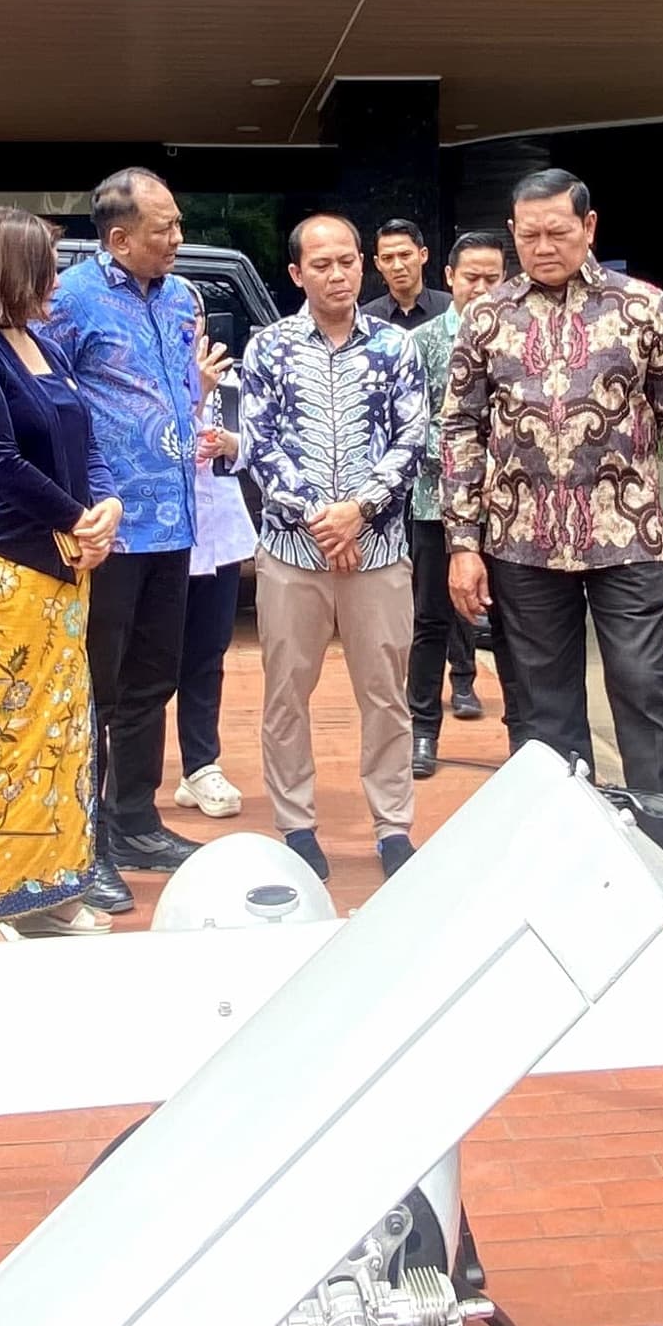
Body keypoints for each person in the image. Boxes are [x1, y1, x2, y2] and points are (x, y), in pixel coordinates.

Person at [441, 170, 663, 879]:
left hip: (626, 535)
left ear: (588, 228)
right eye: (529, 235)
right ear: (513, 233)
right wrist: (463, 543)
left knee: (644, 688)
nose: (543, 247)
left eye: (558, 232)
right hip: (521, 542)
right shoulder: (487, 317)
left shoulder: (643, 307)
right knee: (543, 710)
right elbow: (461, 431)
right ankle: (564, 868)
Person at [0, 206, 124, 941]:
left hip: (65, 567)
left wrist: (104, 505)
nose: (56, 280)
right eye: (46, 266)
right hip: (6, 568)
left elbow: (84, 437)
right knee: (0, 730)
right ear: (13, 271)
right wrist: (77, 518)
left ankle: (50, 885)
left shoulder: (39, 344)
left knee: (60, 729)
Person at [238, 214, 433, 880]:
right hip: (292, 553)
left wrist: (360, 512)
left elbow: (412, 440)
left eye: (348, 261)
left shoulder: (396, 348)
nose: (338, 275)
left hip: (377, 553)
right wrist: (324, 520)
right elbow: (261, 446)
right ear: (297, 273)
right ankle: (296, 824)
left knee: (385, 695)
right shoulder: (268, 349)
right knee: (286, 693)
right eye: (321, 265)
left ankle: (393, 825)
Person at [42, 167, 214, 904]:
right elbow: (44, 400)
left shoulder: (181, 297)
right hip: (107, 530)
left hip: (175, 521)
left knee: (153, 679)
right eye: (163, 228)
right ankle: (86, 843)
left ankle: (137, 820)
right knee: (97, 691)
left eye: (176, 223)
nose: (177, 237)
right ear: (118, 239)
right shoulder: (69, 301)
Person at [401, 231, 508, 763]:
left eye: (493, 278)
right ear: (449, 277)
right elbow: (408, 423)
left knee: (514, 624)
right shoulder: (421, 343)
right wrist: (468, 462)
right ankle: (423, 729)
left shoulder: (520, 332)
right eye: (472, 278)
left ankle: (526, 736)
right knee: (431, 619)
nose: (482, 288)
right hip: (435, 504)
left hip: (510, 508)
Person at [172, 351, 252, 824]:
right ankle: (124, 777)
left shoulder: (232, 380)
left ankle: (200, 765)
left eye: (196, 321)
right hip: (159, 536)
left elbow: (255, 446)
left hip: (219, 531)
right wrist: (194, 395)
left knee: (207, 653)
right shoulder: (139, 376)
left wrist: (229, 443)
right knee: (147, 662)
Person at [368, 218, 448, 331]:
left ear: (423, 255)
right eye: (387, 258)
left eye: (405, 255)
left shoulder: (449, 308)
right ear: (377, 263)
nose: (397, 266)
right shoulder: (367, 319)